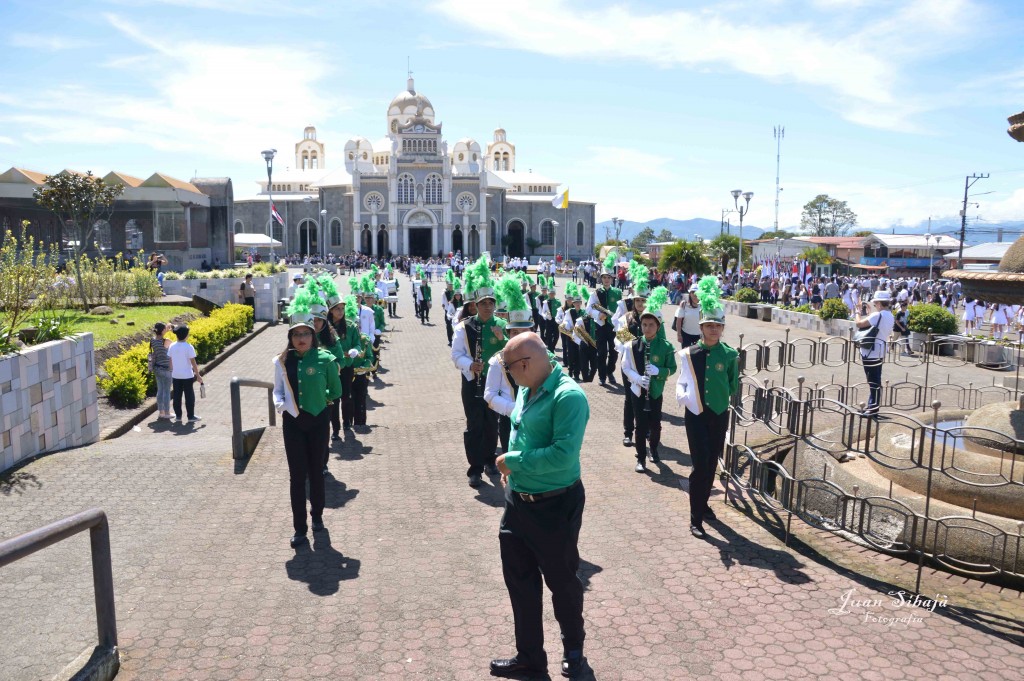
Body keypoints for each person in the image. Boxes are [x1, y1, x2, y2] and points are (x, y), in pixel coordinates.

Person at [491, 331, 590, 680]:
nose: (507, 375)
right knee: (520, 581)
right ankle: (530, 656)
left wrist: (514, 462)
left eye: (509, 368)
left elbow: (563, 456)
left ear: (527, 363)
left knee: (562, 582)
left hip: (554, 505)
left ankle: (574, 651)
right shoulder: (527, 385)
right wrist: (514, 475)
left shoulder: (569, 397)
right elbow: (522, 432)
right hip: (518, 501)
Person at [272, 288, 343, 548]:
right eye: (296, 334)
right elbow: (277, 392)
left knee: (316, 471)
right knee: (296, 475)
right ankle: (299, 528)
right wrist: (282, 407)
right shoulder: (281, 361)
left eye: (305, 334)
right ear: (290, 337)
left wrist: (323, 399)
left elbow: (336, 390)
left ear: (313, 336)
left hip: (318, 421)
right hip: (292, 423)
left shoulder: (325, 358)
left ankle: (317, 517)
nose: (301, 338)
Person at [676, 276, 739, 538]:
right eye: (709, 325)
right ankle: (695, 517)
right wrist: (685, 398)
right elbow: (681, 383)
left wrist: (721, 402)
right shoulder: (689, 354)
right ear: (701, 327)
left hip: (719, 415)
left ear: (723, 328)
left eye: (718, 326)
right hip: (696, 416)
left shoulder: (730, 355)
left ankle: (702, 504)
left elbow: (733, 384)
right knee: (700, 466)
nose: (713, 330)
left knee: (712, 463)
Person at [451, 256, 507, 487]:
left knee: (491, 424)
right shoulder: (464, 326)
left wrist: (501, 338)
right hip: (473, 381)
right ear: (475, 304)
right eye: (483, 303)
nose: (487, 307)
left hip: (495, 384)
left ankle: (489, 460)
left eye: (490, 303)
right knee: (474, 425)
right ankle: (474, 468)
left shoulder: (502, 326)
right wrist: (469, 364)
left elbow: (511, 353)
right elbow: (456, 355)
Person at [623, 287, 677, 471]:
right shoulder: (632, 344)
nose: (647, 328)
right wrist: (637, 378)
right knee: (640, 426)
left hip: (655, 392)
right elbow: (625, 366)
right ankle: (641, 458)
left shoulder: (666, 346)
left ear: (658, 326)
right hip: (638, 391)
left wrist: (659, 371)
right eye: (644, 325)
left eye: (651, 325)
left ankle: (653, 449)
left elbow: (672, 368)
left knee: (655, 425)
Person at [855, 290, 895, 416]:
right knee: (875, 379)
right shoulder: (890, 315)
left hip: (871, 351)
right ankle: (872, 406)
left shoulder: (877, 315)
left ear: (878, 303)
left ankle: (873, 408)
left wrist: (858, 312)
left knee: (873, 380)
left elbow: (859, 324)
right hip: (880, 349)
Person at [586, 252, 623, 386]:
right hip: (600, 325)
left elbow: (623, 310)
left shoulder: (618, 293)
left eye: (609, 277)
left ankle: (610, 371)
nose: (606, 279)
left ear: (612, 279)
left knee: (614, 352)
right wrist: (598, 315)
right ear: (601, 279)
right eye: (604, 277)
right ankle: (602, 376)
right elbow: (588, 309)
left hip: (613, 326)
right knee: (601, 353)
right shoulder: (596, 293)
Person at [168, 324, 204, 423]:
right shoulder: (189, 347)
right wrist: (198, 375)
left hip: (176, 375)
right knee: (189, 396)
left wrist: (172, 371)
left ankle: (178, 416)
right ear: (185, 335)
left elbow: (170, 361)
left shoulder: (172, 346)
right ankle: (191, 416)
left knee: (176, 396)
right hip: (187, 375)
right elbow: (193, 362)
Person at [149, 322, 173, 420]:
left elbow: (159, 336)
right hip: (166, 368)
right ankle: (167, 412)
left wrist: (165, 329)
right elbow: (173, 346)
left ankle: (161, 412)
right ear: (163, 331)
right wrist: (168, 330)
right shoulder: (167, 341)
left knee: (160, 390)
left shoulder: (152, 340)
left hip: (157, 368)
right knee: (167, 391)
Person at [674, 284, 702, 349]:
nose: (695, 294)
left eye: (697, 293)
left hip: (699, 335)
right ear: (690, 294)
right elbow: (679, 320)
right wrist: (679, 334)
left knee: (698, 356)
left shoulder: (703, 305)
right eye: (693, 292)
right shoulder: (684, 304)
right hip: (686, 334)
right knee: (686, 356)